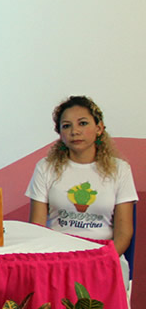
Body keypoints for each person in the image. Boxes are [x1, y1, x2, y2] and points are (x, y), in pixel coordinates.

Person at [27, 96, 136, 274]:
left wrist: (100, 262)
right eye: (66, 126)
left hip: (104, 256)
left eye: (83, 123)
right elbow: (36, 227)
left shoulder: (120, 169)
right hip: (56, 256)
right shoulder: (45, 167)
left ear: (99, 128)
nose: (75, 131)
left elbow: (124, 233)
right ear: (60, 133)